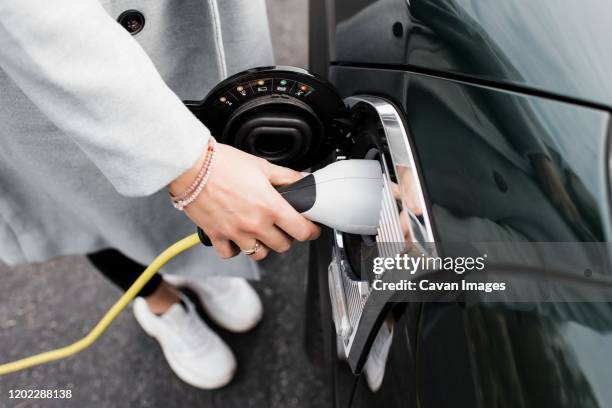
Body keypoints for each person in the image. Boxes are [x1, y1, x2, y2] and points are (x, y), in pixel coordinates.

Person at [0, 0, 320, 389]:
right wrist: (192, 169)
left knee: (210, 164)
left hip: (177, 23)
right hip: (40, 61)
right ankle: (160, 302)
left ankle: (199, 269)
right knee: (90, 205)